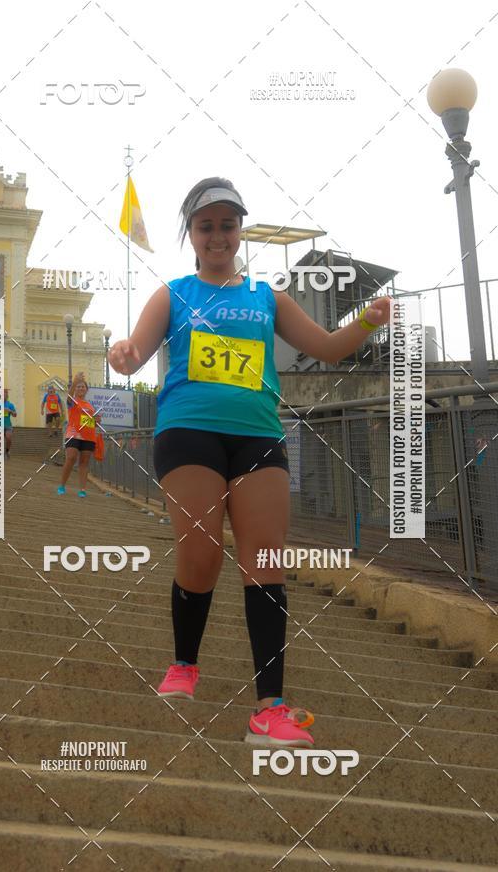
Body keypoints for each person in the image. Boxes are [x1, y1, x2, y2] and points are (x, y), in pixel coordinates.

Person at [108, 177, 391, 746]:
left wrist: (367, 321)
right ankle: (184, 664)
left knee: (265, 563)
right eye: (206, 225)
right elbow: (134, 356)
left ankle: (271, 709)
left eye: (228, 224)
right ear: (191, 233)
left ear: (240, 231)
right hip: (188, 431)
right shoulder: (173, 293)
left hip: (259, 436)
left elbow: (328, 347)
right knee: (201, 555)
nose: (218, 235)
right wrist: (126, 353)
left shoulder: (267, 297)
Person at [57, 373, 98, 497]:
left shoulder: (90, 406)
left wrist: (96, 421)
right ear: (76, 389)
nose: (81, 389)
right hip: (73, 434)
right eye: (78, 387)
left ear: (86, 390)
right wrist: (75, 382)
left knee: (84, 462)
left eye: (83, 387)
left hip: (89, 437)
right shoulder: (73, 401)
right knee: (71, 457)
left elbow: (90, 422)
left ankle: (82, 489)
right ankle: (62, 485)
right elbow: (68, 398)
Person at [3, 389, 17, 458]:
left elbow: (15, 415)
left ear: (7, 396)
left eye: (5, 395)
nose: (4, 396)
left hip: (8, 425)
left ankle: (7, 451)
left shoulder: (10, 404)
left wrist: (10, 411)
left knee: (9, 438)